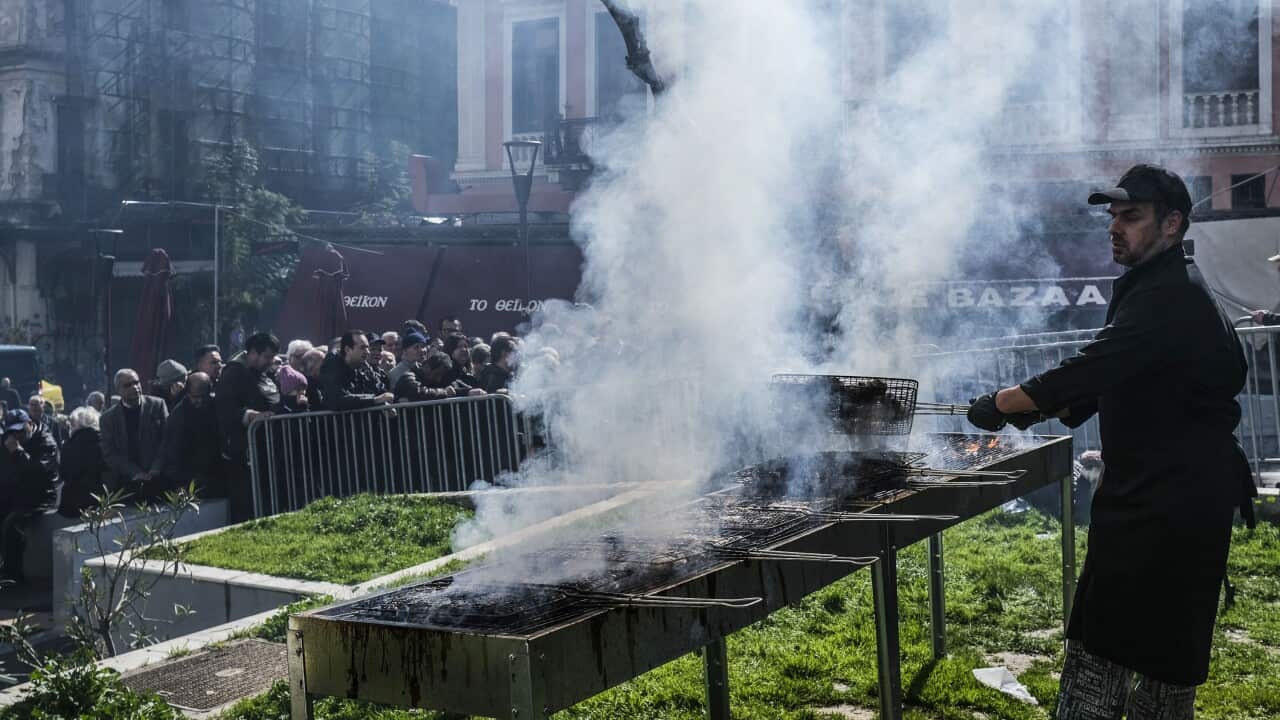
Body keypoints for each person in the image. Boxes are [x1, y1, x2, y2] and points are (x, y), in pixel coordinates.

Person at [965, 165, 1254, 719]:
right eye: (1113, 218)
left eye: (1132, 216)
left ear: (1173, 223)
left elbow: (1094, 366)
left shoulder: (1169, 294)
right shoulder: (1160, 285)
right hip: (1172, 499)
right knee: (1163, 657)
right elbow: (1119, 376)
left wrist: (1005, 403)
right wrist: (1034, 411)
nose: (1115, 228)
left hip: (1165, 506)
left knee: (1110, 654)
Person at [215, 332, 281, 522]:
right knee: (247, 498)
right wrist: (251, 415)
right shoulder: (234, 373)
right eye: (267, 357)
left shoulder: (261, 373)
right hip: (243, 450)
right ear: (253, 353)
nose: (270, 361)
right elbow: (226, 408)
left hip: (264, 446)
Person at [0, 409, 59, 581]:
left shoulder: (45, 441)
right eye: (13, 431)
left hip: (40, 495)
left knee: (13, 524)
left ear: (30, 425)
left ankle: (12, 573)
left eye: (21, 430)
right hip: (17, 492)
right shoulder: (7, 442)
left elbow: (37, 472)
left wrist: (18, 452)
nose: (17, 435)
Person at [100, 368, 170, 503]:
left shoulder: (157, 405)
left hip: (159, 479)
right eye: (128, 385)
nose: (135, 387)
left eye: (136, 382)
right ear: (118, 390)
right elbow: (109, 453)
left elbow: (167, 440)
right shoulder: (108, 418)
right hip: (128, 485)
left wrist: (156, 468)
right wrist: (135, 473)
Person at [160, 372, 223, 500]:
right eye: (195, 397)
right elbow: (173, 451)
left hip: (213, 472)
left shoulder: (215, 406)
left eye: (203, 396)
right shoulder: (179, 416)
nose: (199, 401)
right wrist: (179, 484)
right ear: (188, 394)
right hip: (189, 475)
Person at [320, 330, 394, 411]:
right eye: (362, 348)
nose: (368, 352)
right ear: (348, 349)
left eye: (367, 347)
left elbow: (376, 390)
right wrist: (374, 400)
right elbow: (337, 399)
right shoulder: (332, 366)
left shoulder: (362, 366)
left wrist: (384, 405)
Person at [57, 406, 109, 519]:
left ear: (76, 424)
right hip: (99, 499)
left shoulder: (68, 446)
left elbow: (64, 474)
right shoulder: (103, 442)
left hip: (73, 504)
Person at [390, 334, 453, 402]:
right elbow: (418, 392)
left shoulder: (421, 368)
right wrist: (444, 392)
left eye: (423, 346)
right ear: (405, 351)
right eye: (416, 347)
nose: (422, 350)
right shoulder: (398, 372)